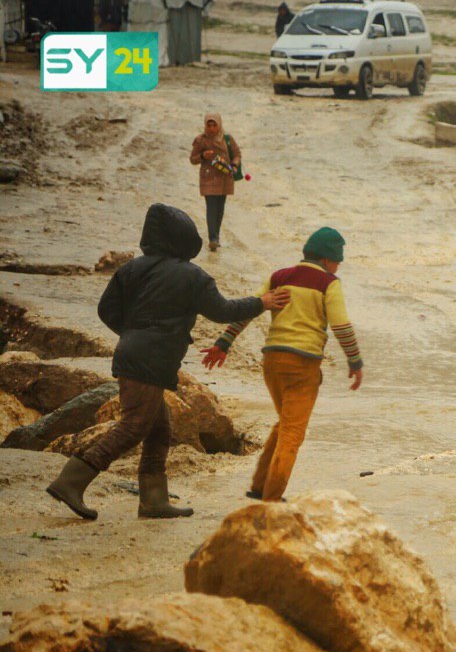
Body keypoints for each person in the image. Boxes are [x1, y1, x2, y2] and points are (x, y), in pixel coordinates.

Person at [45, 204, 290, 521]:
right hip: (152, 359)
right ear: (184, 240)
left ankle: (153, 500)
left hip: (131, 352)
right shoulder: (192, 276)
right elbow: (222, 311)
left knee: (160, 429)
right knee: (133, 426)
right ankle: (70, 482)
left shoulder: (130, 270)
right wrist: (261, 302)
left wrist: (134, 333)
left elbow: (106, 310)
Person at [201, 227, 364, 503]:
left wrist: (224, 343)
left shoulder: (279, 277)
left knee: (285, 423)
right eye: (338, 261)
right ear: (326, 260)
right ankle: (272, 499)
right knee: (292, 432)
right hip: (303, 364)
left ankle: (259, 485)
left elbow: (251, 308)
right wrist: (355, 361)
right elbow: (341, 326)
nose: (338, 267)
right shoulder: (329, 283)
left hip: (272, 361)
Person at [189, 114, 240, 252]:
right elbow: (192, 159)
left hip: (225, 178)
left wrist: (234, 165)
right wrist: (202, 156)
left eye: (214, 125)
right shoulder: (200, 140)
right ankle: (212, 238)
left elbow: (236, 154)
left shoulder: (227, 139)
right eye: (209, 125)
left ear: (219, 125)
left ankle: (216, 236)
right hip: (209, 178)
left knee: (220, 208)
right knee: (211, 207)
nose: (211, 129)